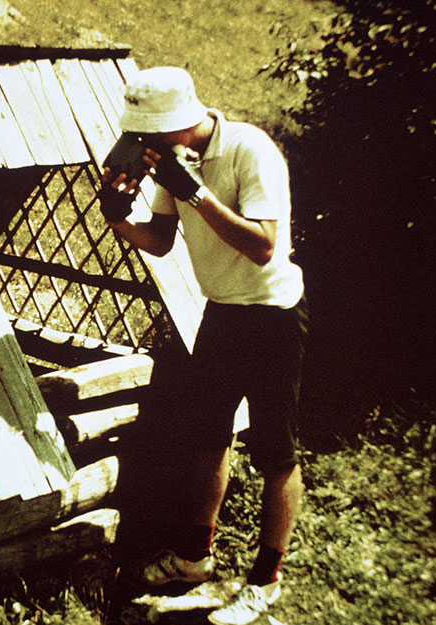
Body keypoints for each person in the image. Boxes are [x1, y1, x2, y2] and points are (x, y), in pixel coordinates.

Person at [100, 66, 308, 625]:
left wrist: (194, 190)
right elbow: (162, 242)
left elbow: (263, 247)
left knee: (274, 451)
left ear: (177, 124)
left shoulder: (250, 151)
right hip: (221, 314)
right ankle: (196, 559)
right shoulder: (170, 165)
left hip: (272, 316)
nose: (141, 145)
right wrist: (120, 218)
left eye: (149, 134)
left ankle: (265, 578)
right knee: (206, 437)